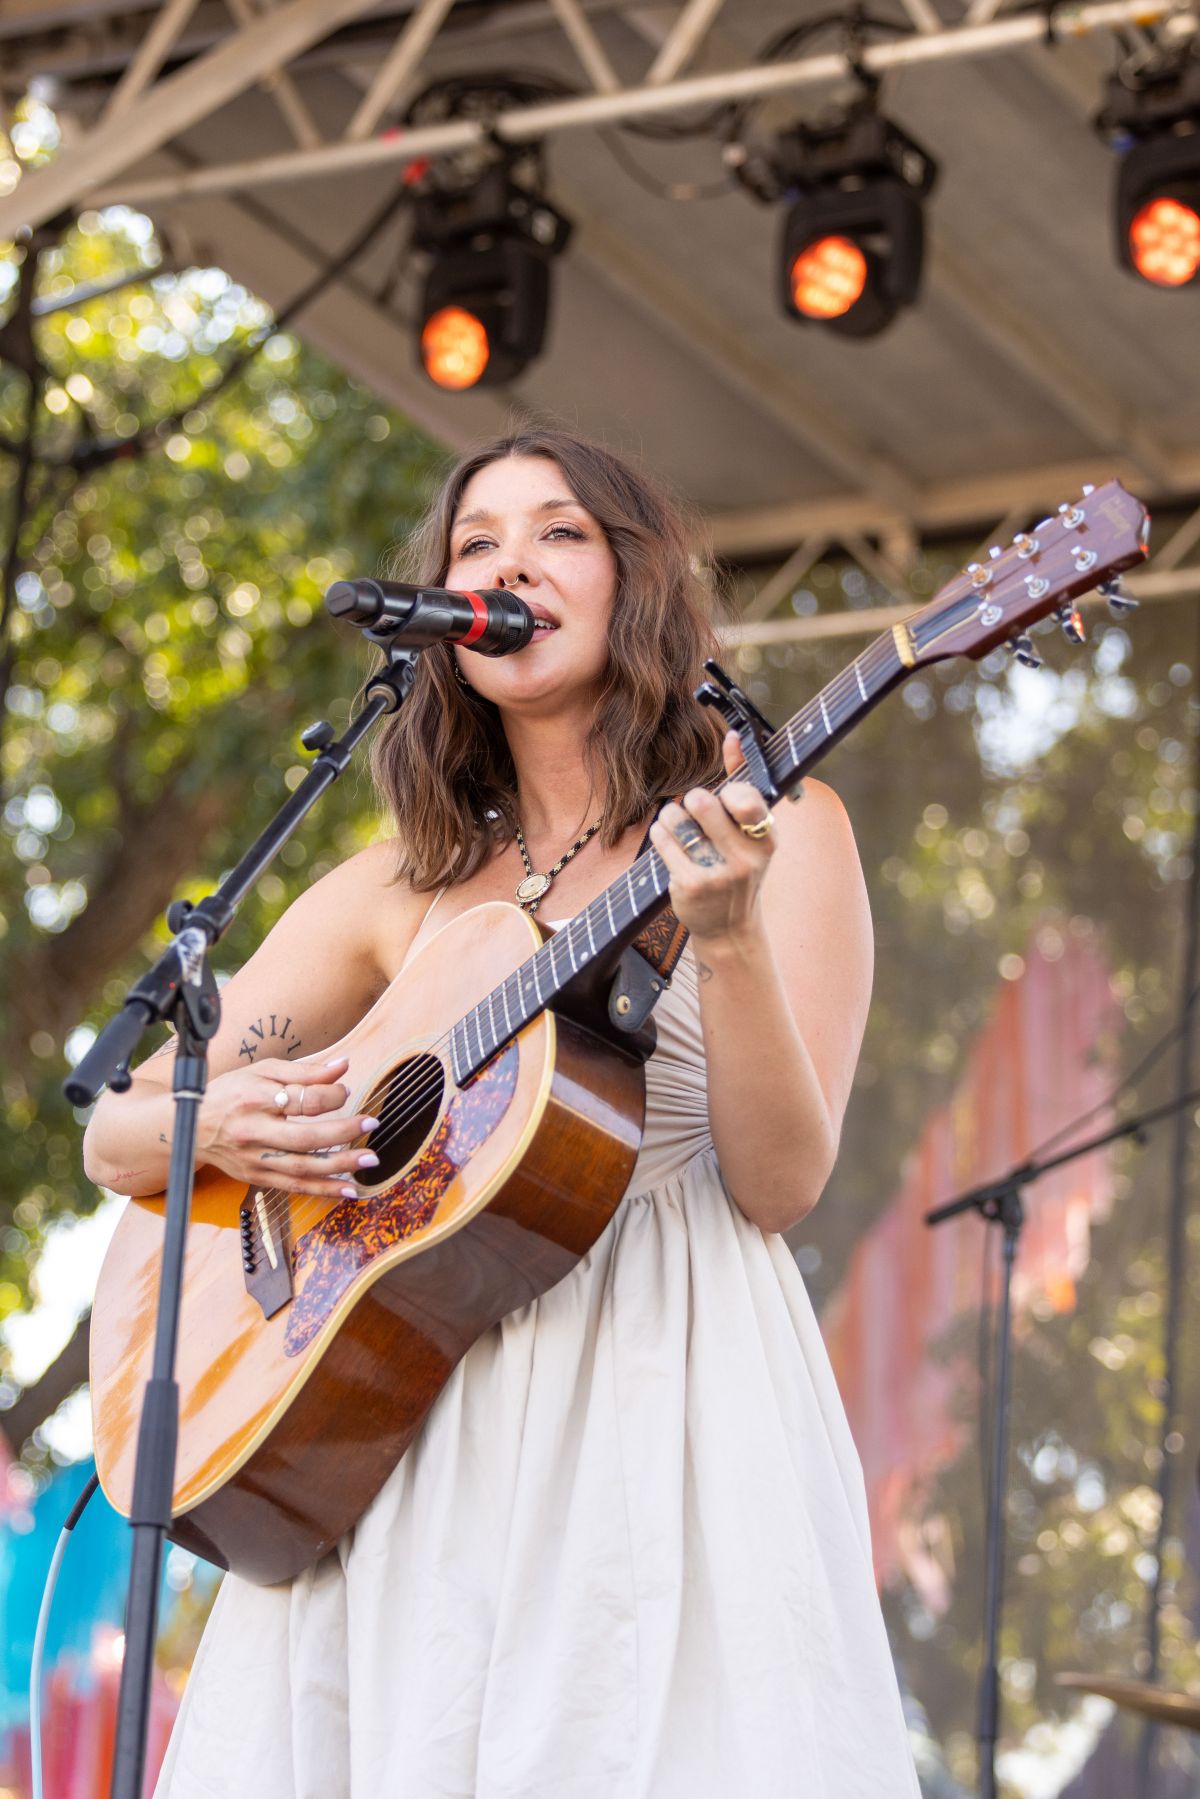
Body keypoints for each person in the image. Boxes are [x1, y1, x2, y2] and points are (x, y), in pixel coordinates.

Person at [84, 429, 920, 1797]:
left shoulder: (780, 821)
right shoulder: (399, 888)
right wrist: (228, 1124)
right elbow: (118, 1130)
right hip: (396, 1407)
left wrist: (729, 943)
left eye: (559, 534)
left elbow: (781, 1184)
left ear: (635, 580)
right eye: (476, 545)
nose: (508, 565)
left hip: (665, 1387)